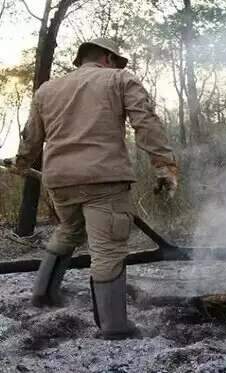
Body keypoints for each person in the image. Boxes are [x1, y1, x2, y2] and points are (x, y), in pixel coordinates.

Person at [8, 38, 178, 339]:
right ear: (108, 58)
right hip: (104, 179)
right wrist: (163, 164)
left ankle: (43, 295)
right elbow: (146, 122)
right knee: (109, 248)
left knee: (69, 231)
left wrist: (22, 162)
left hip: (59, 181)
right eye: (117, 61)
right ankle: (115, 326)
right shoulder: (120, 79)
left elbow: (32, 136)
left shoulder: (47, 89)